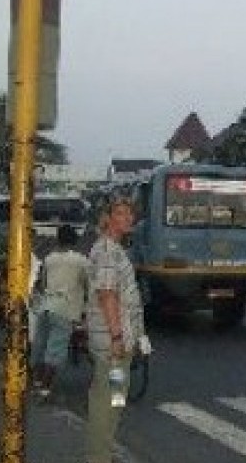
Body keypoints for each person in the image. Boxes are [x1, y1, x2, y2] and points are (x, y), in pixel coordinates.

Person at [86, 197, 151, 463]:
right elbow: (107, 294)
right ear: (107, 218)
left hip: (120, 339)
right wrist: (116, 337)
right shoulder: (107, 251)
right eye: (120, 213)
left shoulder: (114, 248)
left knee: (115, 396)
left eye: (130, 214)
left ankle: (106, 450)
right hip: (112, 342)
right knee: (107, 399)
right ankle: (99, 457)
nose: (127, 218)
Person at [30, 224, 90, 399]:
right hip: (65, 310)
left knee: (39, 346)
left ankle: (37, 382)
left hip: (45, 307)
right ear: (75, 240)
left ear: (58, 240)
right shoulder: (81, 260)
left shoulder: (49, 259)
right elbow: (89, 285)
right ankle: (44, 389)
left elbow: (42, 284)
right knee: (55, 351)